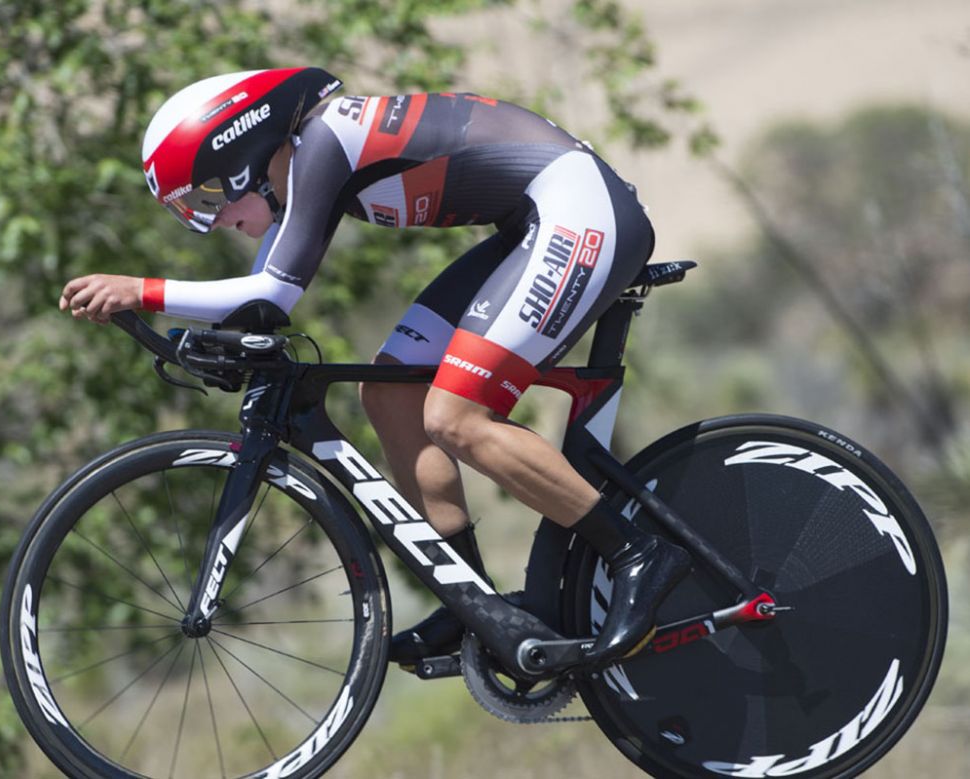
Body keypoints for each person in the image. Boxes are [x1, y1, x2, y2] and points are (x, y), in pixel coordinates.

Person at [59, 67, 690, 668]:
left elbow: (270, 296)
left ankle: (641, 554)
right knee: (387, 394)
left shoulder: (324, 141)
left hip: (580, 212)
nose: (211, 219)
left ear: (240, 153)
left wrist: (140, 289)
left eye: (206, 197)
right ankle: (468, 601)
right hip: (535, 221)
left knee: (455, 417)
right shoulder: (311, 161)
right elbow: (257, 302)